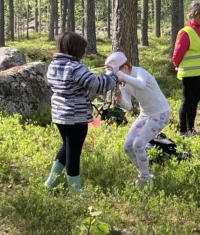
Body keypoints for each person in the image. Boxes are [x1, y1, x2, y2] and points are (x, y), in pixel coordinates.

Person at [46, 32, 122, 193]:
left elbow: (77, 82)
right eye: (83, 50)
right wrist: (112, 75)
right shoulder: (76, 67)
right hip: (76, 116)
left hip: (59, 115)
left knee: (67, 146)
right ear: (76, 49)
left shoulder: (53, 65)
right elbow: (97, 85)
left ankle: (51, 182)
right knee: (74, 153)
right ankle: (75, 189)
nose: (84, 53)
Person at [105, 51, 170, 190]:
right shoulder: (125, 82)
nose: (117, 79)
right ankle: (144, 173)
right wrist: (121, 101)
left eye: (116, 75)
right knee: (128, 145)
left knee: (139, 144)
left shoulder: (140, 72)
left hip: (160, 113)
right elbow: (128, 106)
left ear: (125, 68)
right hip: (145, 114)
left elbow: (140, 84)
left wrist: (121, 76)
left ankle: (145, 179)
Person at [171, 0, 200, 136]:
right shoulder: (186, 32)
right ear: (192, 15)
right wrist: (176, 65)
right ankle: (182, 130)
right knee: (187, 102)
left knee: (195, 101)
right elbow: (177, 53)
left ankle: (191, 128)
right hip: (190, 74)